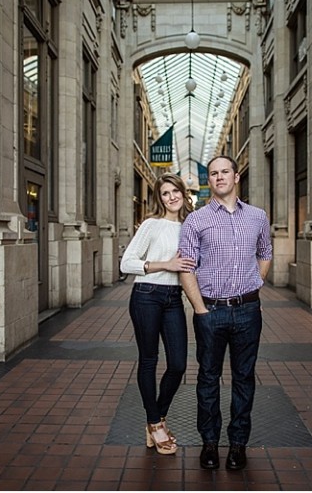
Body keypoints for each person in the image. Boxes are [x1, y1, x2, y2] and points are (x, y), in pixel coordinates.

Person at [178, 155, 272, 470]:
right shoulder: (196, 220)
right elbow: (186, 268)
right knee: (207, 378)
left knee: (244, 377)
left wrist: (255, 284)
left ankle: (237, 445)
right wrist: (200, 309)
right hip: (211, 312)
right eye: (213, 173)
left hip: (248, 311)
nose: (219, 177)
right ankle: (209, 443)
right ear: (210, 181)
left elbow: (265, 253)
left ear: (236, 176)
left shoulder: (258, 217)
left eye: (224, 172)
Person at [120, 172, 196, 455]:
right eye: (165, 193)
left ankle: (157, 417)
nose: (172, 197)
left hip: (173, 299)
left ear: (183, 193)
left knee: (178, 364)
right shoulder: (151, 225)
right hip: (146, 297)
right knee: (149, 360)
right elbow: (127, 264)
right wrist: (167, 264)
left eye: (175, 191)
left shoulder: (191, 225)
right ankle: (155, 423)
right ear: (159, 198)